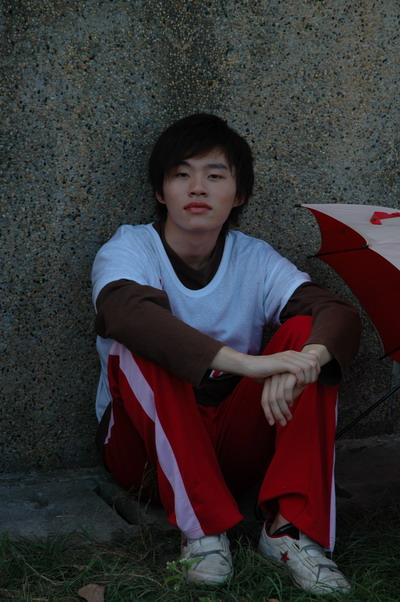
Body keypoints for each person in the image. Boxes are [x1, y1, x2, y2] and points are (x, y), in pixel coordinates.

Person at [91, 113, 361, 595]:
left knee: (307, 337)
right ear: (161, 191)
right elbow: (124, 312)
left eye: (215, 175)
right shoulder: (130, 247)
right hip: (144, 456)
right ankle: (203, 531)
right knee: (142, 342)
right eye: (181, 174)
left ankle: (289, 532)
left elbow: (336, 313)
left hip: (233, 446)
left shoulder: (254, 257)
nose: (197, 187)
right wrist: (250, 364)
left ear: (238, 195)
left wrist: (305, 360)